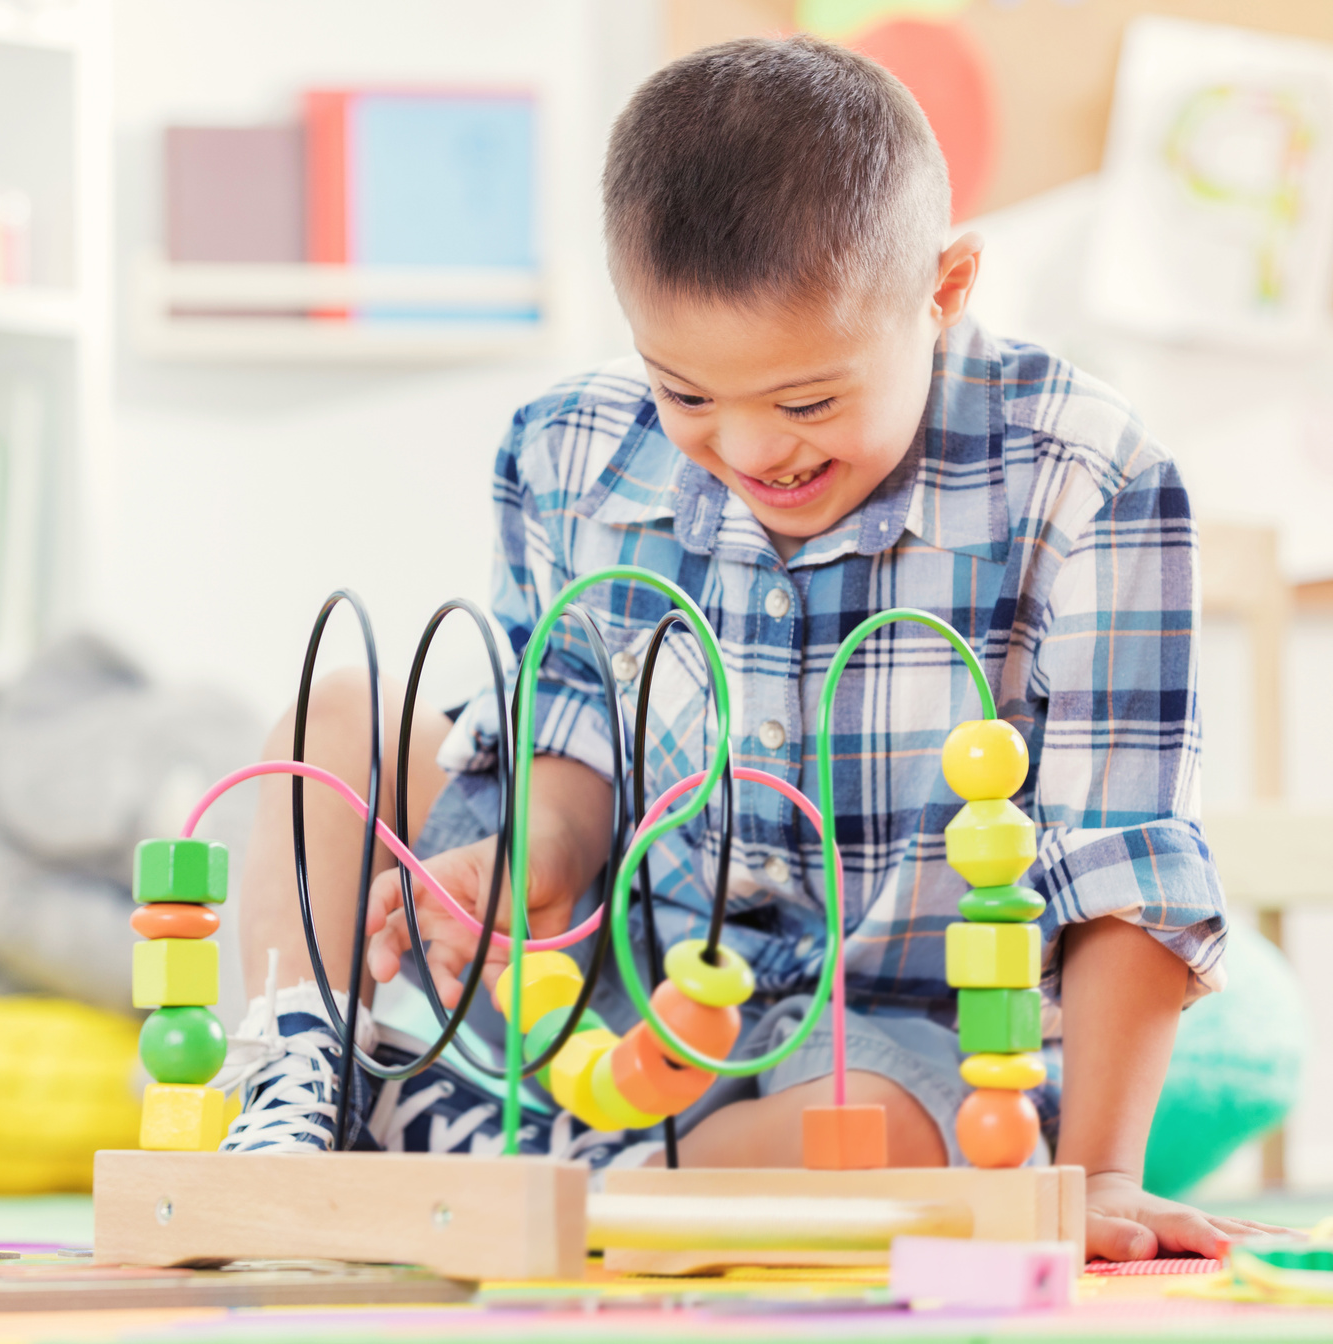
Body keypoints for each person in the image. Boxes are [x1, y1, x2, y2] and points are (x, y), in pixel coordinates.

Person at [221, 35, 1272, 1260]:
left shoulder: (1092, 480)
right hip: (611, 986)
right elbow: (562, 732)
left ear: (945, 289)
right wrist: (534, 858)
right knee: (336, 724)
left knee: (875, 1148)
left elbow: (1124, 862)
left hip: (878, 1041)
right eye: (687, 393)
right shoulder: (569, 445)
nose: (749, 449)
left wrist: (1097, 1176)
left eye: (809, 402)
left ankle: (510, 1160)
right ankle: (305, 1069)